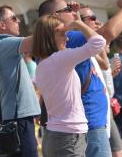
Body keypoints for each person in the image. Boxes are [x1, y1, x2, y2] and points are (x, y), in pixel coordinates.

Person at [37, 0, 122, 157]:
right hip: (87, 124)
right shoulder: (67, 39)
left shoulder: (52, 50)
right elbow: (106, 34)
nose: (72, 10)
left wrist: (77, 18)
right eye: (67, 9)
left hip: (81, 124)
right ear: (54, 17)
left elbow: (103, 62)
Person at [33, 15, 106, 156]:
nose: (67, 39)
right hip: (69, 135)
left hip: (54, 134)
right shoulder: (60, 59)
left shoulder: (42, 65)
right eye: (62, 34)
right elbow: (98, 42)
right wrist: (79, 24)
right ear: (49, 37)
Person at [0, 6, 40, 157]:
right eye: (14, 18)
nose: (19, 21)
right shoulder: (6, 44)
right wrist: (53, 20)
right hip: (19, 119)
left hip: (14, 117)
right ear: (2, 25)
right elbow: (39, 39)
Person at [79, 7, 122, 157]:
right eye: (92, 18)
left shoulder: (90, 50)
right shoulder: (82, 48)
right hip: (93, 119)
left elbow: (103, 69)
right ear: (80, 22)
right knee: (118, 151)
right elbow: (109, 33)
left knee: (117, 151)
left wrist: (110, 73)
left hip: (101, 115)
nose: (97, 22)